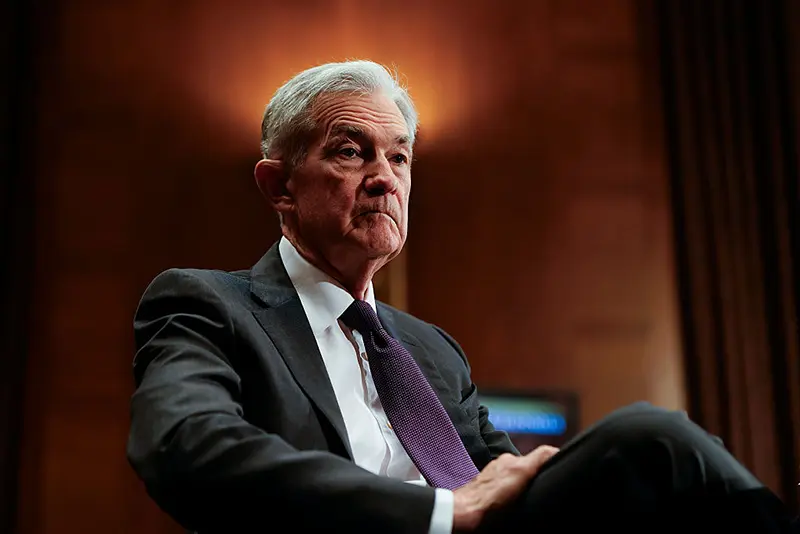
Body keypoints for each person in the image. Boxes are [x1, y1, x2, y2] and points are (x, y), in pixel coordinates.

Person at [127, 60, 797, 533]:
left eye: (400, 157)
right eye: (351, 152)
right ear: (279, 187)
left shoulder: (431, 350)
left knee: (656, 466)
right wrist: (437, 515)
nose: (384, 179)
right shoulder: (208, 306)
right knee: (652, 439)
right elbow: (183, 444)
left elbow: (506, 480)